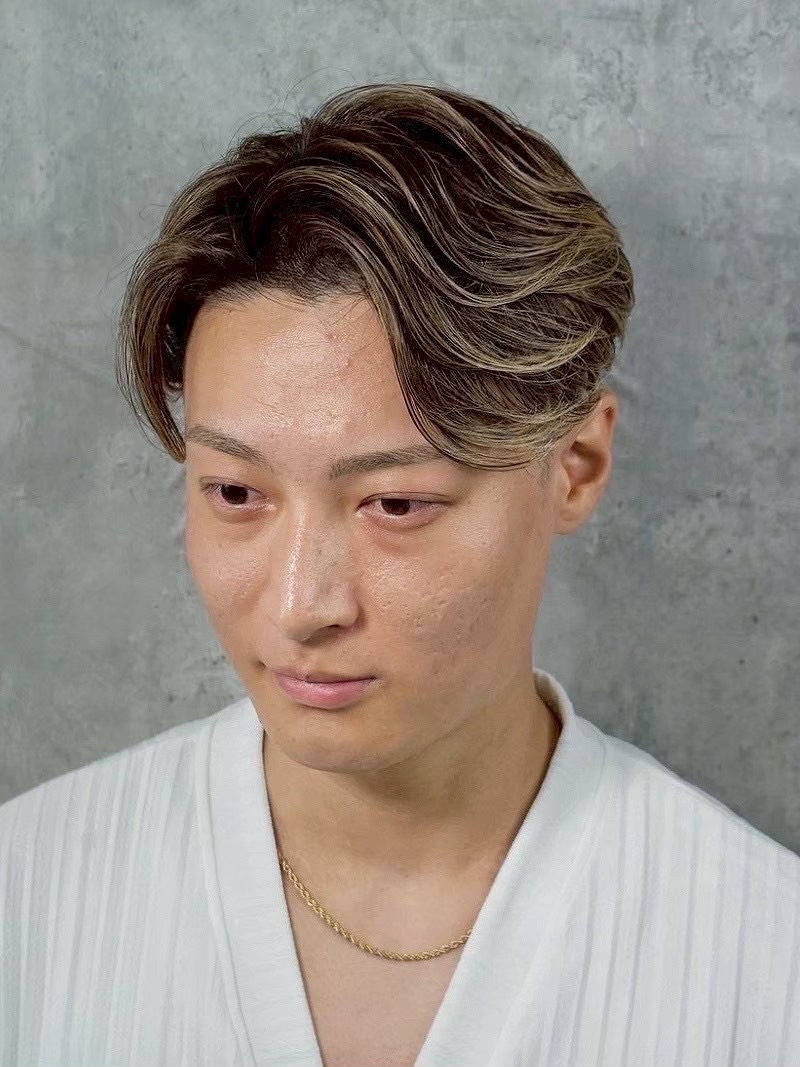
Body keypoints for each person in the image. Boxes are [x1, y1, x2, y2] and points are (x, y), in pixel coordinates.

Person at [1, 81, 798, 1067]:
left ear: (576, 465)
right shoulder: (28, 899)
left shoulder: (763, 965)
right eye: (235, 492)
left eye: (395, 504)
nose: (301, 605)